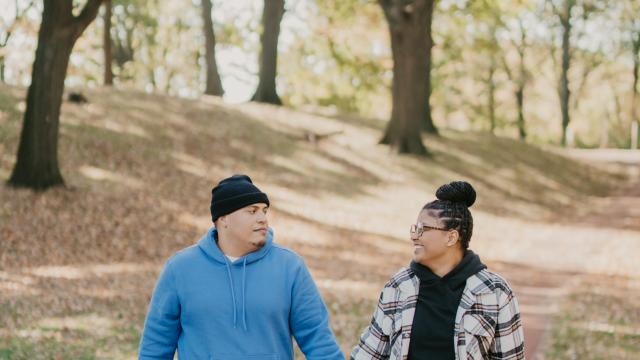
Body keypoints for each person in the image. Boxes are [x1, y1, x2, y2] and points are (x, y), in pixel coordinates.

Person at [139, 174, 344, 360]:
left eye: (264, 211)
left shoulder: (290, 268)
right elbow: (156, 346)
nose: (262, 218)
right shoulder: (180, 269)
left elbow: (318, 339)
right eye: (252, 211)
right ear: (224, 218)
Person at [351, 181, 525, 360]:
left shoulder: (495, 291)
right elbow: (369, 354)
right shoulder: (399, 286)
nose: (414, 236)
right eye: (414, 228)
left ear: (451, 237)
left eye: (422, 229)